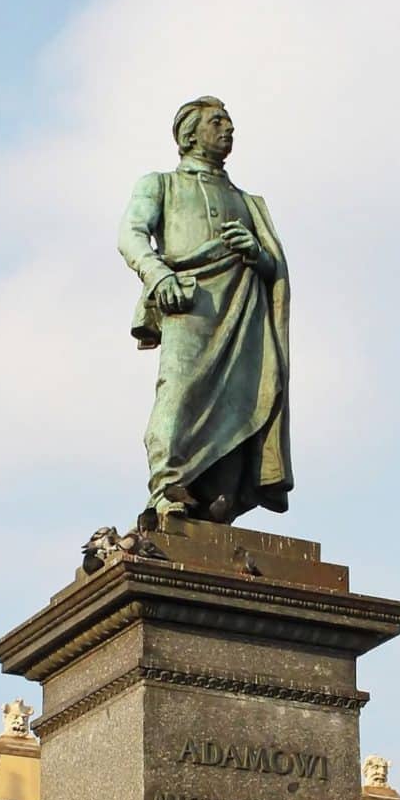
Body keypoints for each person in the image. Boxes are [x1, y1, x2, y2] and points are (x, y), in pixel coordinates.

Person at [118, 97, 291, 525]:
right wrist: (158, 275)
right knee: (178, 392)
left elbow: (273, 267)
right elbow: (131, 234)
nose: (228, 129)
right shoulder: (160, 184)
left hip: (244, 309)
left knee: (244, 398)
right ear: (188, 134)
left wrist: (258, 256)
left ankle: (220, 499)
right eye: (218, 122)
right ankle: (167, 486)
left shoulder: (249, 202)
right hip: (190, 300)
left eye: (230, 122)